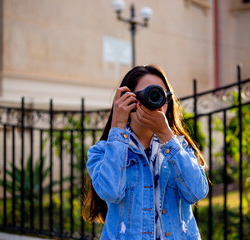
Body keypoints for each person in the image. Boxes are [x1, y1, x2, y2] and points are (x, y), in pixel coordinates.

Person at [82, 65, 208, 239]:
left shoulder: (181, 147)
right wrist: (118, 127)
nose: (155, 101)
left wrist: (166, 136)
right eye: (148, 93)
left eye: (160, 95)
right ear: (128, 99)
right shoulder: (102, 152)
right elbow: (111, 192)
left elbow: (197, 192)